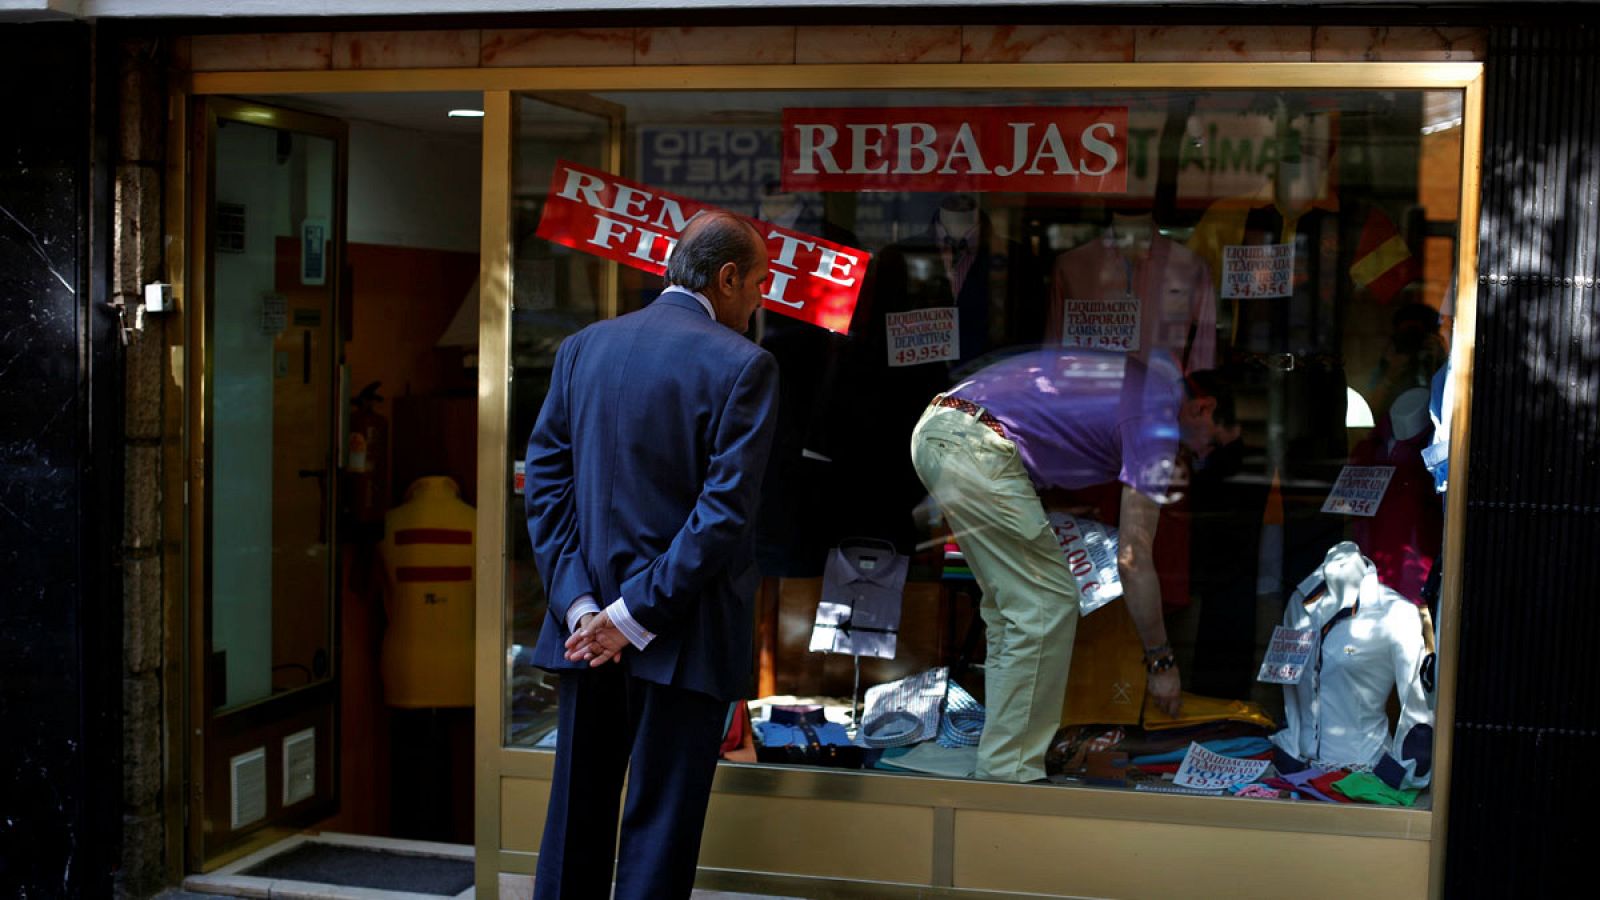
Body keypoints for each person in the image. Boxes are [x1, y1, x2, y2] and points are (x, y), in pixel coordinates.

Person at [524, 210, 778, 899]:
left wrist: (582, 608)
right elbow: (722, 514)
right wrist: (630, 618)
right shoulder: (745, 365)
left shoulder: (583, 347)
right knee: (659, 835)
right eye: (757, 285)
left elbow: (545, 486)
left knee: (575, 818)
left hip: (585, 635)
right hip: (681, 635)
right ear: (726, 279)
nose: (759, 302)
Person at [908, 349, 1239, 783]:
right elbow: (1134, 557)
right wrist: (1161, 662)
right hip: (976, 443)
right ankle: (1008, 778)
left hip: (945, 430)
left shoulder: (1143, 385)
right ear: (1203, 407)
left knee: (1014, 610)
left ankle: (1000, 765)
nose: (1200, 457)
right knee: (1046, 602)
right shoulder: (1158, 419)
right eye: (1212, 444)